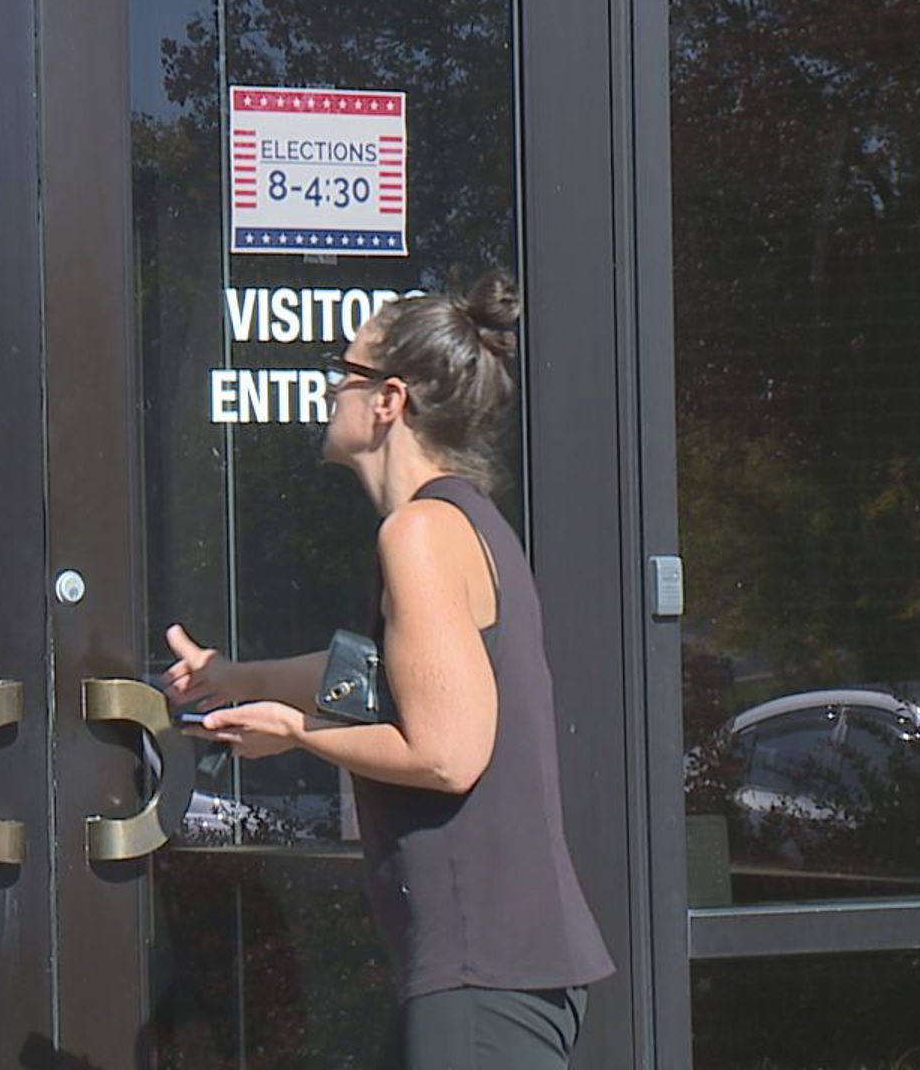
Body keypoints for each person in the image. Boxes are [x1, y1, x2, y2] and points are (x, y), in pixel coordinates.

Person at [163, 272, 614, 1069]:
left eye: (345, 372)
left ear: (387, 401)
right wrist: (235, 677)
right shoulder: (458, 523)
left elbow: (446, 753)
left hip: (483, 971)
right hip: (495, 969)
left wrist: (300, 736)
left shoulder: (419, 535)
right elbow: (374, 679)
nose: (331, 389)